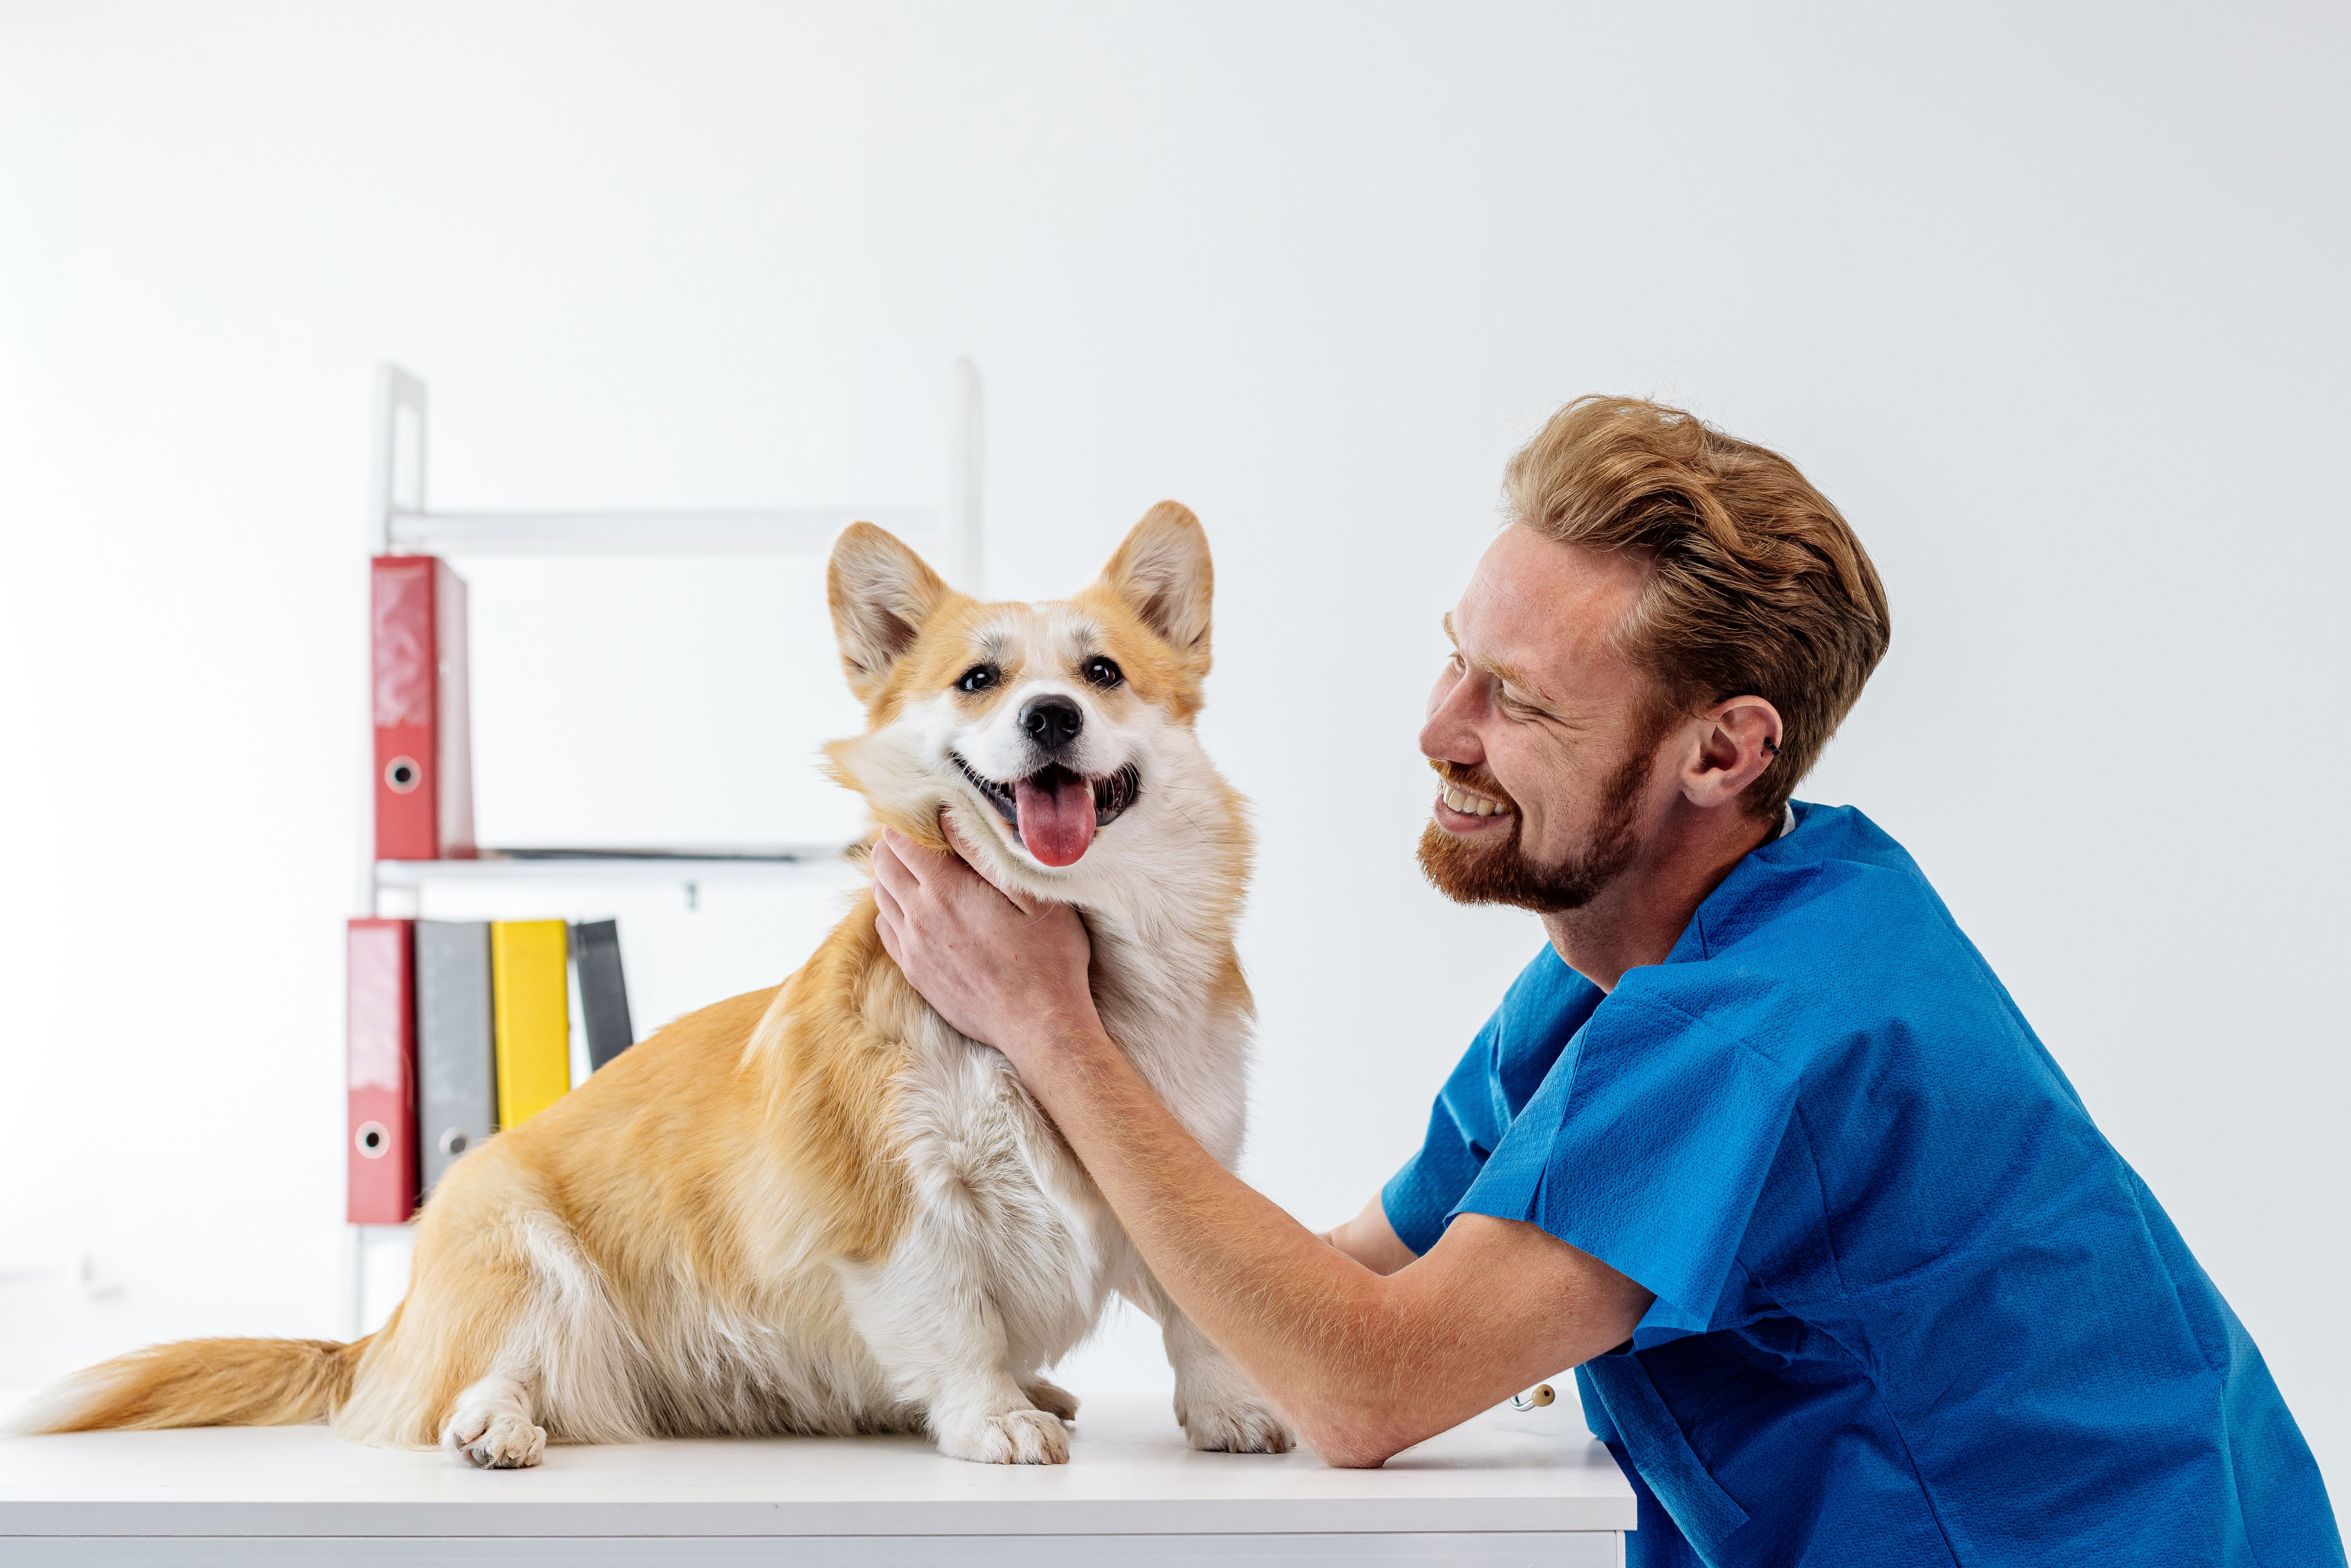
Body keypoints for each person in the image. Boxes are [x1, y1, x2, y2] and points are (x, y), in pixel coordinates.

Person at [869, 396, 2342, 1565]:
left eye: (1514, 698)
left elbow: (1365, 1385)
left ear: (1724, 752)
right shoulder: (1627, 960)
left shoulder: (1767, 1025)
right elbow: (1357, 1278)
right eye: (1458, 659)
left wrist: (1051, 1025)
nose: (1440, 728)